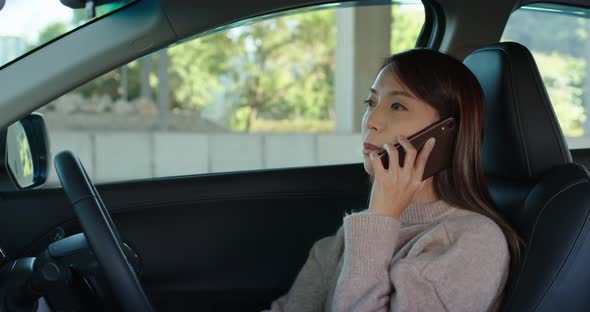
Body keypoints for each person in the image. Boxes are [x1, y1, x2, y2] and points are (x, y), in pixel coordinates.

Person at [263, 48, 523, 312]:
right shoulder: (354, 231)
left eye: (397, 106)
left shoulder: (475, 241)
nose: (371, 121)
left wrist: (380, 219)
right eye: (371, 103)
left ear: (447, 133)